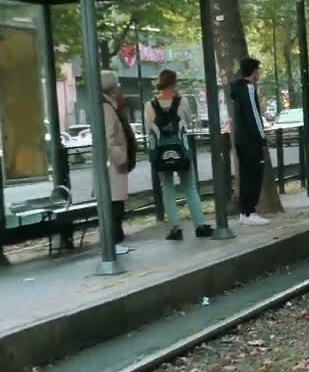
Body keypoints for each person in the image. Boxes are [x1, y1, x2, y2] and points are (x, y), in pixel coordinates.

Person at [147, 69, 214, 241]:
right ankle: (199, 225)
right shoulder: (182, 102)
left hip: (161, 154)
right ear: (175, 82)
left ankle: (175, 228)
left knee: (167, 189)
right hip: (181, 152)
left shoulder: (149, 106)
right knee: (190, 187)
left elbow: (149, 129)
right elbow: (189, 121)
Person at [229, 57, 269, 225]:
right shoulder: (249, 89)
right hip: (251, 140)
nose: (259, 74)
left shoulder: (237, 90)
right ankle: (249, 211)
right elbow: (253, 114)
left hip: (240, 139)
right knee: (254, 175)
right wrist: (262, 137)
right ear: (253, 72)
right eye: (258, 71)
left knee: (245, 175)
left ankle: (244, 213)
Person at [99, 71, 132, 255]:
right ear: (111, 87)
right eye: (117, 84)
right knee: (114, 203)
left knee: (117, 202)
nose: (119, 88)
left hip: (112, 163)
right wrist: (120, 157)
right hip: (112, 164)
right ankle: (114, 242)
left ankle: (117, 239)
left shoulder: (109, 106)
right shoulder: (106, 108)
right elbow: (109, 138)